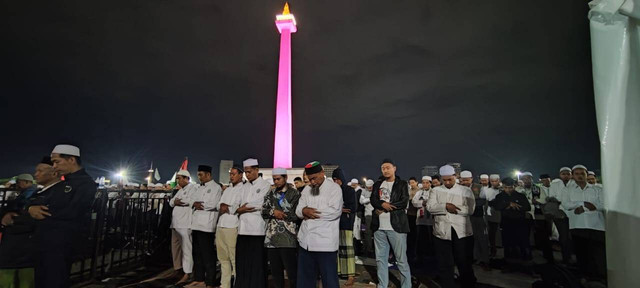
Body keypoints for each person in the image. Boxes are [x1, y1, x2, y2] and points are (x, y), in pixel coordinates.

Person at [27, 144, 96, 288]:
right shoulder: (62, 182)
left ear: (71, 160)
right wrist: (30, 208)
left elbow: (74, 211)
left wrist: (40, 212)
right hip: (45, 242)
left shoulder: (86, 184)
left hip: (61, 244)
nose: (54, 166)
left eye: (57, 162)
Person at [0, 157, 58, 288]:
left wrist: (11, 220)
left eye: (40, 171)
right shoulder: (38, 192)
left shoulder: (52, 195)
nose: (36, 174)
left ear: (54, 173)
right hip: (17, 250)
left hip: (23, 252)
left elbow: (35, 219)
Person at [427, 165, 476, 288]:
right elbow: (430, 207)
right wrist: (445, 206)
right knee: (445, 263)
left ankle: (468, 284)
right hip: (442, 232)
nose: (448, 182)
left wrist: (455, 210)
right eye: (445, 180)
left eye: (450, 179)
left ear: (455, 176)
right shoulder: (436, 190)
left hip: (461, 231)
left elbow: (470, 209)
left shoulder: (465, 191)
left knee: (464, 262)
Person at [296, 161, 342, 288]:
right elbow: (298, 211)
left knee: (330, 282)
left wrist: (309, 213)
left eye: (314, 178)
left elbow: (334, 212)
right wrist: (304, 211)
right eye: (309, 179)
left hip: (325, 245)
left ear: (322, 173)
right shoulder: (306, 189)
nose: (312, 182)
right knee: (305, 282)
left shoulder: (334, 188)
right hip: (306, 244)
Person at [370, 159, 411, 288]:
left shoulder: (402, 184)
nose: (385, 170)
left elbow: (404, 202)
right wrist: (382, 204)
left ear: (394, 168)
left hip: (397, 226)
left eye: (388, 167)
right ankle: (382, 285)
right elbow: (373, 199)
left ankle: (406, 285)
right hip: (379, 227)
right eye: (383, 168)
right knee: (380, 259)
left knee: (401, 260)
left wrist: (386, 206)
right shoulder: (378, 184)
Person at [563, 165, 606, 282]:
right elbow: (566, 204)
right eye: (577, 174)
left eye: (582, 173)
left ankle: (600, 278)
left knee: (598, 255)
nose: (580, 176)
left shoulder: (597, 189)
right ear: (573, 176)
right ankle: (585, 277)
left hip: (596, 226)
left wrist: (583, 208)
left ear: (587, 175)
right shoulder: (568, 190)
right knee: (582, 254)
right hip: (578, 225)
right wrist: (584, 203)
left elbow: (603, 205)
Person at [262, 167, 300, 288]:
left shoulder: (294, 193)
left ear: (285, 178)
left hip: (288, 238)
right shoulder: (270, 193)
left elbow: (296, 214)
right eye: (274, 179)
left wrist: (281, 214)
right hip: (271, 238)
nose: (276, 182)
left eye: (278, 179)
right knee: (275, 272)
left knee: (291, 271)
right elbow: (263, 211)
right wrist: (274, 212)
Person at [235, 158, 271, 288]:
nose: (247, 174)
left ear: (257, 170)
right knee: (243, 262)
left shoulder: (265, 185)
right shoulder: (244, 186)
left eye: (249, 172)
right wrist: (240, 208)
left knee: (256, 263)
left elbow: (260, 203)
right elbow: (236, 203)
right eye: (245, 172)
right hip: (242, 229)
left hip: (257, 230)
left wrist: (243, 208)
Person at [189, 165, 222, 288]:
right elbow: (191, 200)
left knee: (207, 254)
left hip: (207, 225)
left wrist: (199, 204)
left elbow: (214, 204)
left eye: (201, 175)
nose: (199, 177)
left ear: (208, 175)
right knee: (197, 254)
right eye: (198, 175)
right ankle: (199, 279)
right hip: (196, 224)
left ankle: (210, 281)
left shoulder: (216, 187)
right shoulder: (198, 187)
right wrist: (195, 203)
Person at [490, 177, 531, 273]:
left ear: (514, 186)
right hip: (507, 223)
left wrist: (516, 206)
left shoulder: (521, 196)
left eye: (511, 187)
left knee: (523, 244)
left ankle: (527, 266)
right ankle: (509, 265)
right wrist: (508, 204)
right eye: (506, 187)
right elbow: (497, 206)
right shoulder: (500, 196)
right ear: (503, 186)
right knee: (508, 245)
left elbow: (527, 207)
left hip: (520, 223)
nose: (508, 190)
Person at [216, 166, 244, 288]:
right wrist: (225, 207)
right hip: (221, 225)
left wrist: (226, 207)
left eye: (234, 174)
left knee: (234, 258)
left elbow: (236, 207)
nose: (231, 176)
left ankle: (237, 284)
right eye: (230, 174)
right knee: (223, 258)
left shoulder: (243, 189)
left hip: (232, 226)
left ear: (240, 175)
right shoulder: (227, 190)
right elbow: (219, 205)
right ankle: (224, 285)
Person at [517, 171, 552, 263]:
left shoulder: (538, 188)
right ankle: (526, 256)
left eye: (528, 178)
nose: (527, 180)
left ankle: (548, 257)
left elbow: (544, 199)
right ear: (522, 180)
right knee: (525, 236)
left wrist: (536, 201)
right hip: (525, 215)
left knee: (543, 236)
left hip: (538, 215)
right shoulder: (518, 190)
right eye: (525, 179)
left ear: (531, 179)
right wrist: (531, 202)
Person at [169, 169, 197, 285]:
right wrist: (175, 202)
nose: (178, 180)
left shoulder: (193, 188)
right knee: (175, 248)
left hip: (185, 224)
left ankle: (188, 273)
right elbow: (171, 202)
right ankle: (178, 268)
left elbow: (191, 201)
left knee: (186, 249)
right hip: (175, 224)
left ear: (187, 179)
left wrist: (178, 202)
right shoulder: (180, 190)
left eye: (180, 178)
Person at [331, 168, 357, 285]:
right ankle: (339, 271)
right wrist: (340, 209)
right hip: (334, 224)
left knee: (347, 249)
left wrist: (339, 209)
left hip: (346, 224)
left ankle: (350, 275)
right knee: (336, 249)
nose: (336, 182)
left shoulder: (349, 190)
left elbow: (352, 208)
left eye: (338, 179)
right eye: (334, 180)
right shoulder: (332, 191)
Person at [546, 167, 574, 264]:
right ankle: (566, 258)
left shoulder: (574, 184)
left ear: (571, 175)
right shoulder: (555, 184)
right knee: (563, 237)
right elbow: (552, 197)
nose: (566, 175)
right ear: (560, 175)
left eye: (568, 173)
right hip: (559, 214)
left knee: (573, 236)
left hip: (574, 214)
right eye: (563, 174)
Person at [411, 176, 435, 262]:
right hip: (420, 219)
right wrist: (422, 203)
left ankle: (431, 255)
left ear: (430, 183)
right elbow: (414, 202)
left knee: (431, 238)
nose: (425, 184)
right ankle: (420, 255)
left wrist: (427, 203)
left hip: (431, 219)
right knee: (420, 238)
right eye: (423, 183)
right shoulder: (419, 192)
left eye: (427, 183)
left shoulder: (434, 192)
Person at [480, 174, 501, 258]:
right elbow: (483, 199)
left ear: (499, 180)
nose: (494, 183)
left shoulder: (503, 190)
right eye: (492, 181)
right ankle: (493, 250)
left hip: (502, 214)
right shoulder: (486, 190)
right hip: (491, 214)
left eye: (496, 181)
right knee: (492, 234)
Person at [470, 183, 490, 270]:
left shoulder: (478, 187)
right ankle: (476, 258)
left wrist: (469, 202)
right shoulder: (460, 187)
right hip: (467, 218)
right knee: (473, 239)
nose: (465, 181)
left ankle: (485, 260)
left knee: (482, 238)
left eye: (467, 179)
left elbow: (482, 201)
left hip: (479, 217)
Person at [406, 176, 420, 264]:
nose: (412, 184)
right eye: (410, 183)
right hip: (409, 214)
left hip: (416, 215)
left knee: (415, 234)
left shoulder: (419, 191)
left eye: (413, 183)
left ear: (416, 182)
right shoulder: (409, 191)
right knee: (410, 234)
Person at [359, 179, 375, 257]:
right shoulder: (364, 191)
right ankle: (369, 249)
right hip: (368, 214)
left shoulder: (376, 191)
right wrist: (370, 199)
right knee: (368, 232)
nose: (369, 189)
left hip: (377, 215)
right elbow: (361, 201)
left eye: (370, 187)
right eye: (368, 187)